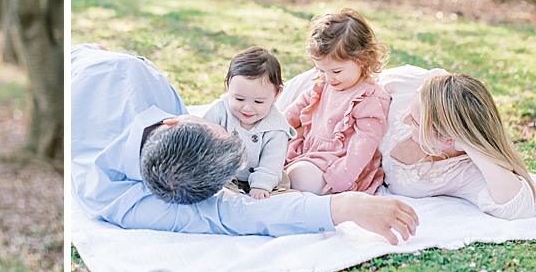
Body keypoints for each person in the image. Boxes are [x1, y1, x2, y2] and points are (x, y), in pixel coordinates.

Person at [71, 44, 419, 244]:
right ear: (174, 119)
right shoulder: (113, 197)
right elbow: (237, 214)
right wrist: (344, 207)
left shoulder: (123, 201)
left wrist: (345, 208)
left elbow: (241, 212)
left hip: (96, 59)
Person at [381, 71, 536, 220]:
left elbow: (518, 208)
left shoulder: (464, 170)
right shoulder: (417, 84)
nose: (405, 119)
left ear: (449, 140)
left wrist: (471, 145)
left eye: (415, 121)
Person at [284, 8, 392, 195]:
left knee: (300, 177)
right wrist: (272, 130)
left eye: (336, 71)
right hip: (308, 151)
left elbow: (363, 147)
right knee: (269, 154)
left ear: (362, 59)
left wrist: (340, 179)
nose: (328, 78)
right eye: (320, 70)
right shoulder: (322, 85)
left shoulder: (369, 98)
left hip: (339, 165)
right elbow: (292, 113)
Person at [201, 47, 294, 199]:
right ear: (228, 86)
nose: (248, 108)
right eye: (239, 99)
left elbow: (272, 161)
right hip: (223, 172)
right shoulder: (219, 111)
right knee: (218, 189)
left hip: (265, 176)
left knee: (280, 192)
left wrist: (261, 185)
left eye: (258, 101)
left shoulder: (277, 127)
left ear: (277, 94)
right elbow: (201, 138)